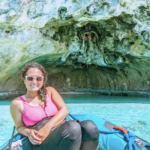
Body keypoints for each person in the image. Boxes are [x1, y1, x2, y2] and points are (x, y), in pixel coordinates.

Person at [10, 62, 99, 150]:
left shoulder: (50, 91)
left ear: (43, 79)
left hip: (62, 130)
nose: (34, 82)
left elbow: (64, 110)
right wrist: (29, 133)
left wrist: (47, 127)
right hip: (42, 140)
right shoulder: (17, 103)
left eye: (38, 78)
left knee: (90, 126)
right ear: (24, 79)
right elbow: (19, 127)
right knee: (73, 128)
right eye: (30, 78)